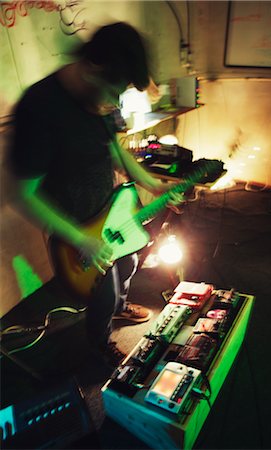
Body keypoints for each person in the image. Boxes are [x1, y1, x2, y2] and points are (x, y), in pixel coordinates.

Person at [8, 22, 182, 367]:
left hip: (110, 207)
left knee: (130, 259)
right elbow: (21, 194)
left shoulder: (104, 97)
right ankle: (98, 341)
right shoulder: (40, 107)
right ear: (93, 68)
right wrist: (80, 240)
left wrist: (152, 183)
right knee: (103, 289)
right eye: (112, 91)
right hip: (77, 227)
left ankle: (118, 307)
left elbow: (115, 149)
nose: (113, 102)